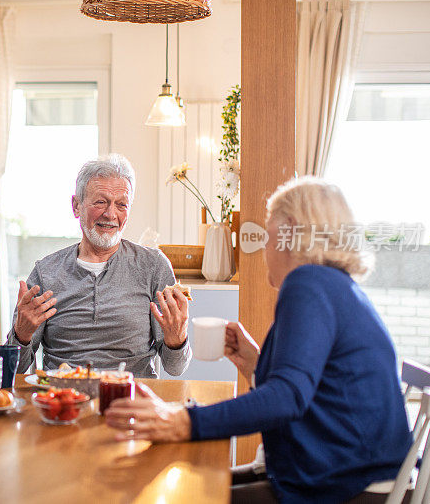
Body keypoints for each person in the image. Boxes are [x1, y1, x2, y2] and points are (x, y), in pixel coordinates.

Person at [104, 177, 412, 503]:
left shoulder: (307, 284)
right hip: (357, 472)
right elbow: (317, 389)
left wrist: (184, 421)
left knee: (180, 491)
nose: (265, 246)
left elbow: (288, 397)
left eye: (268, 234)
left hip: (354, 487)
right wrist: (256, 363)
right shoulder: (333, 284)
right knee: (188, 483)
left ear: (290, 232)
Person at [6, 154, 192, 378]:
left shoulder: (153, 266)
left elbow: (176, 368)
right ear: (76, 206)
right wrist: (21, 334)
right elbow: (15, 369)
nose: (111, 214)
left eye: (121, 204)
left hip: (132, 399)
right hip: (65, 399)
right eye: (100, 202)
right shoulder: (46, 272)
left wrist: (177, 339)